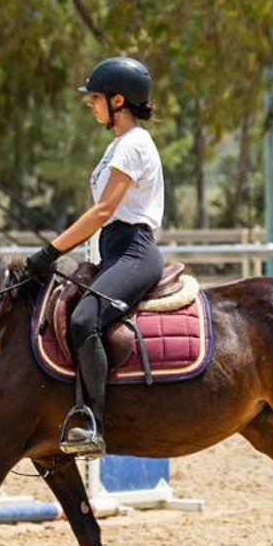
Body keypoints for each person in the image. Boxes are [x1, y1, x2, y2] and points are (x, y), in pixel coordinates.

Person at [23, 55, 164, 458]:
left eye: (96, 97)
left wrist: (50, 250)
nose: (90, 103)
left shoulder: (134, 144)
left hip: (133, 250)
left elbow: (103, 211)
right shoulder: (119, 144)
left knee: (85, 318)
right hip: (113, 249)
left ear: (118, 101)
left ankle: (93, 422)